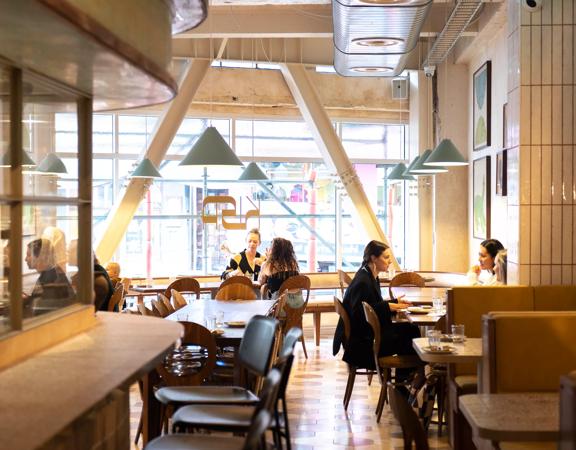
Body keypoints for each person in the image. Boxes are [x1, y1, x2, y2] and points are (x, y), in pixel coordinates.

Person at [333, 240, 420, 374]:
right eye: (386, 257)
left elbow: (371, 304)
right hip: (363, 345)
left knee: (410, 329)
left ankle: (405, 381)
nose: (390, 261)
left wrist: (394, 302)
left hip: (366, 335)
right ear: (373, 258)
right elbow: (360, 313)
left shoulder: (368, 274)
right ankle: (406, 380)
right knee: (411, 333)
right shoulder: (363, 282)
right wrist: (389, 306)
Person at [24, 238, 75, 317]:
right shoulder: (51, 272)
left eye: (29, 255)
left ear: (40, 257)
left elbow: (45, 309)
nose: (25, 259)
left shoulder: (51, 277)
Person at [68, 239, 114, 312]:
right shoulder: (96, 269)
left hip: (100, 315)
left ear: (78, 253)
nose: (67, 254)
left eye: (69, 251)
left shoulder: (95, 274)